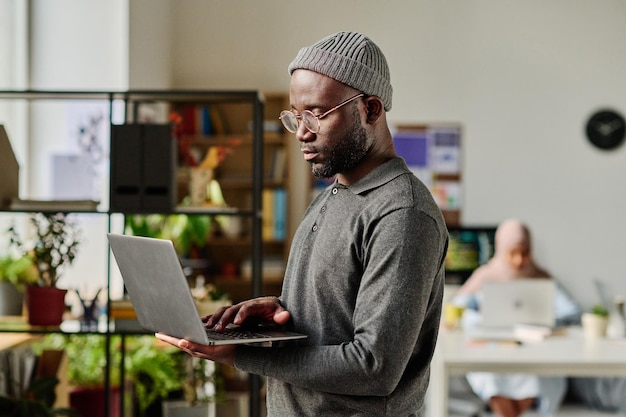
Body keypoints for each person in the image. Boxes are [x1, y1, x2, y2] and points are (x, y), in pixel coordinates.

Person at [156, 31, 449, 416]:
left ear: (371, 110)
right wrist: (281, 311)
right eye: (295, 116)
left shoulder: (403, 214)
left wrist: (242, 355)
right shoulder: (332, 194)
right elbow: (338, 310)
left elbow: (373, 369)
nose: (303, 132)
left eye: (317, 114)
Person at [452, 219, 567, 417]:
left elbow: (570, 311)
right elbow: (457, 307)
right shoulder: (485, 275)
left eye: (524, 252)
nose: (519, 260)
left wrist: (550, 318)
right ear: (501, 249)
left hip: (532, 349)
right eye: (513, 253)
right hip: (491, 347)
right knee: (489, 377)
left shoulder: (541, 276)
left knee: (539, 377)